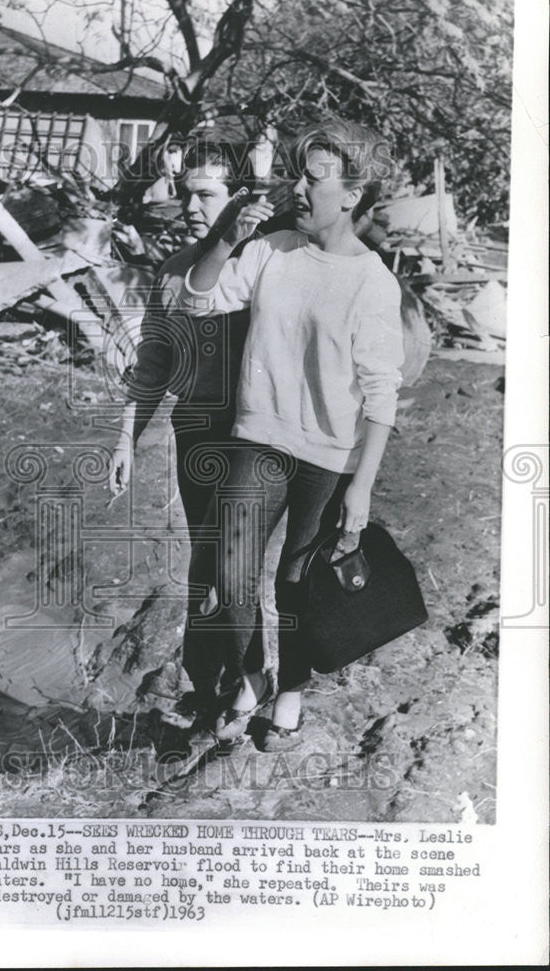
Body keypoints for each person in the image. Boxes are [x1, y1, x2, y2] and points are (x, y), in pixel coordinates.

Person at [180, 118, 404, 750]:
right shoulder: (272, 248)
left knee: (297, 584)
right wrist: (229, 235)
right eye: (297, 176)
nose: (298, 190)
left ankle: (291, 695)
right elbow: (199, 300)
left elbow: (383, 395)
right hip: (257, 437)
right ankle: (252, 675)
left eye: (314, 178)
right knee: (232, 566)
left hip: (328, 454)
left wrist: (361, 488)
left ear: (352, 194)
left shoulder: (372, 283)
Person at [108, 141, 305, 727]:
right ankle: (208, 688)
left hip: (258, 433)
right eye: (186, 192)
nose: (190, 204)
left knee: (234, 565)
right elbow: (153, 363)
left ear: (238, 198)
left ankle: (255, 681)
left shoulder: (271, 263)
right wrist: (125, 439)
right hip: (194, 426)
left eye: (206, 193)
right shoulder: (175, 271)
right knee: (208, 561)